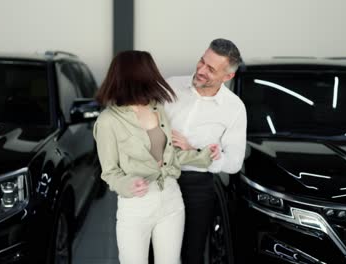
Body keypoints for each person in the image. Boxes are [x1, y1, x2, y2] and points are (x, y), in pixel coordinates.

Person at [93, 50, 221, 264]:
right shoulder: (108, 121)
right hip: (136, 205)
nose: (156, 74)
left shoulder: (157, 109)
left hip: (171, 199)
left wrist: (205, 155)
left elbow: (170, 158)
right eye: (151, 70)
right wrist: (128, 183)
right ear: (137, 75)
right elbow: (109, 172)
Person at [164, 38, 247, 264]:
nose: (200, 70)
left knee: (192, 253)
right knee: (156, 250)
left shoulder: (235, 109)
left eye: (210, 69)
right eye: (201, 61)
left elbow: (233, 163)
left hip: (197, 185)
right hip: (160, 179)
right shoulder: (171, 86)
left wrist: (195, 151)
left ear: (227, 76)